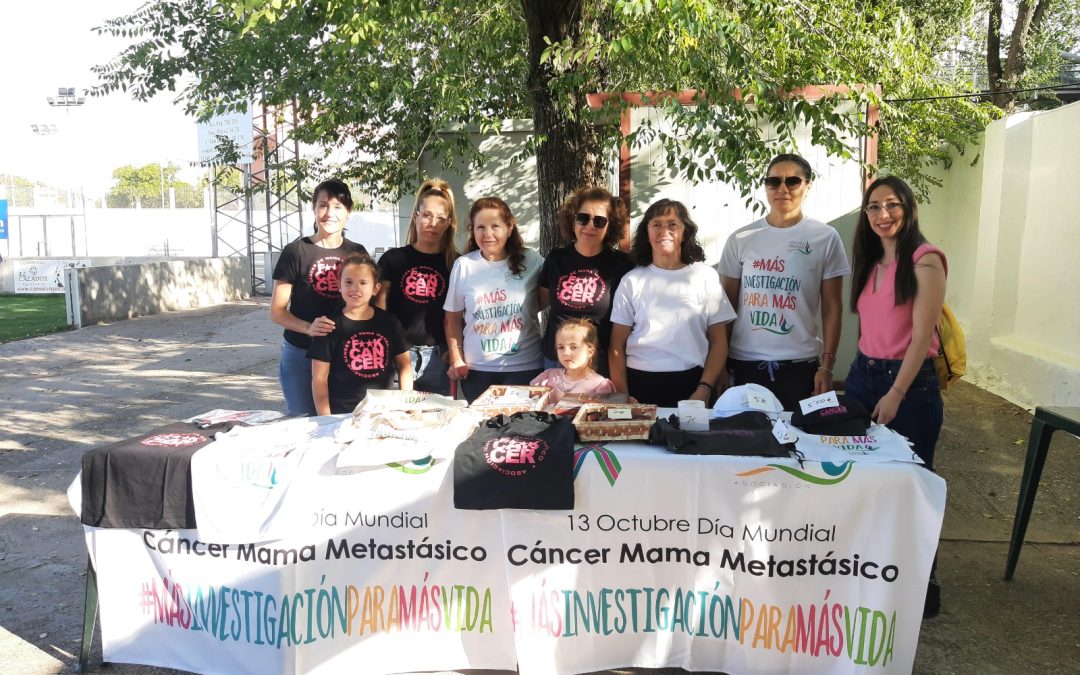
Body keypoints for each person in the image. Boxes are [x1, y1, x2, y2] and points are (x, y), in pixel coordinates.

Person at [845, 176, 947, 620]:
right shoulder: (870, 262)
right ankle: (870, 573)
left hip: (907, 385)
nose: (883, 215)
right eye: (873, 208)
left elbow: (922, 334)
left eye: (892, 205)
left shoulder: (925, 261)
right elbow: (870, 329)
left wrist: (896, 392)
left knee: (912, 484)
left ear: (908, 207)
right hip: (863, 376)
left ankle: (923, 585)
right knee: (862, 480)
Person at [718, 153, 849, 411]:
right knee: (744, 442)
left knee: (796, 443)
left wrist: (826, 366)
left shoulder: (825, 238)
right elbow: (725, 309)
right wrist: (720, 365)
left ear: (807, 185)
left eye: (793, 181)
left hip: (800, 366)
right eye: (774, 181)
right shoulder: (741, 239)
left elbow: (832, 307)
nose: (782, 189)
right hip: (744, 363)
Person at [609, 199, 736, 407]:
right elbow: (617, 345)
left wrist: (705, 388)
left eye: (672, 224)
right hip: (639, 384)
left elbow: (719, 342)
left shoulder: (705, 277)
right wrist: (623, 396)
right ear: (646, 233)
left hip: (693, 384)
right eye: (656, 224)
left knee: (690, 440)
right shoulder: (632, 280)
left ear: (685, 232)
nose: (664, 231)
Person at [270, 179, 368, 415]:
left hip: (344, 354)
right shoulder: (296, 251)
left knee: (345, 422)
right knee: (305, 424)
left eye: (337, 206)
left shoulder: (357, 252)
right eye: (323, 205)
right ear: (314, 209)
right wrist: (308, 328)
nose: (329, 213)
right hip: (301, 354)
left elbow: (366, 305)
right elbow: (277, 311)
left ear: (348, 212)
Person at [444, 197, 544, 403]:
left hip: (525, 367)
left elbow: (544, 300)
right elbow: (452, 317)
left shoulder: (533, 260)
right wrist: (456, 359)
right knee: (483, 431)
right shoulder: (464, 265)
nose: (487, 234)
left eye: (495, 226)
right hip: (477, 370)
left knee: (521, 431)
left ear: (509, 227)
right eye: (480, 227)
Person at [538, 187, 635, 375]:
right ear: (573, 220)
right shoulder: (556, 259)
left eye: (599, 221)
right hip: (557, 360)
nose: (590, 225)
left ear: (610, 226)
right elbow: (538, 303)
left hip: (599, 363)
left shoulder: (622, 266)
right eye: (583, 218)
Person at [375, 179, 459, 395]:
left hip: (440, 358)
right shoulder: (393, 259)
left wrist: (454, 351)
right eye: (427, 215)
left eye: (441, 218)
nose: (433, 223)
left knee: (437, 422)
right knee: (397, 422)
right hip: (399, 355)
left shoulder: (457, 263)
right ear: (416, 216)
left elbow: (462, 314)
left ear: (449, 223)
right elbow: (380, 309)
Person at [308, 255, 412, 415]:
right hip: (341, 413)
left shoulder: (390, 322)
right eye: (348, 282)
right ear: (339, 285)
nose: (355, 288)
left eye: (363, 283)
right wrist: (325, 417)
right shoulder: (328, 326)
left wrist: (408, 406)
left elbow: (404, 366)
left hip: (382, 411)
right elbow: (319, 379)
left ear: (375, 288)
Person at [531, 318, 617, 404]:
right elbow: (528, 399)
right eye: (561, 347)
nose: (566, 353)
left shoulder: (599, 385)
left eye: (573, 347)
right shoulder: (548, 376)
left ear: (590, 352)